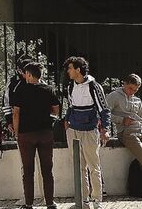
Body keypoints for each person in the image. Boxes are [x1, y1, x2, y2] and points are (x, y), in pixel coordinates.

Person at [63, 56, 111, 209]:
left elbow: (104, 109)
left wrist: (105, 129)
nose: (68, 71)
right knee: (79, 167)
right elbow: (71, 107)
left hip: (90, 131)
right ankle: (83, 201)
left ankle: (97, 200)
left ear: (78, 69)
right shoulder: (70, 87)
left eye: (70, 68)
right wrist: (66, 121)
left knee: (93, 166)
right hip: (73, 131)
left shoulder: (94, 86)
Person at [12, 61, 60, 209]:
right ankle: (50, 202)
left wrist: (16, 132)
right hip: (45, 132)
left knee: (28, 170)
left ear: (29, 74)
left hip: (26, 134)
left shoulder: (20, 90)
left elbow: (15, 113)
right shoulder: (48, 89)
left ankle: (28, 203)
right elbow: (56, 110)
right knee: (47, 169)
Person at [105, 73, 142, 165]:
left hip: (139, 129)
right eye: (130, 88)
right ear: (124, 84)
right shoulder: (114, 96)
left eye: (135, 90)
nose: (132, 92)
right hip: (127, 132)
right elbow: (104, 114)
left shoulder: (138, 100)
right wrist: (122, 120)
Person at [4, 56, 32, 135]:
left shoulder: (38, 81)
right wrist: (9, 121)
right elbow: (6, 101)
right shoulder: (13, 82)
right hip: (20, 120)